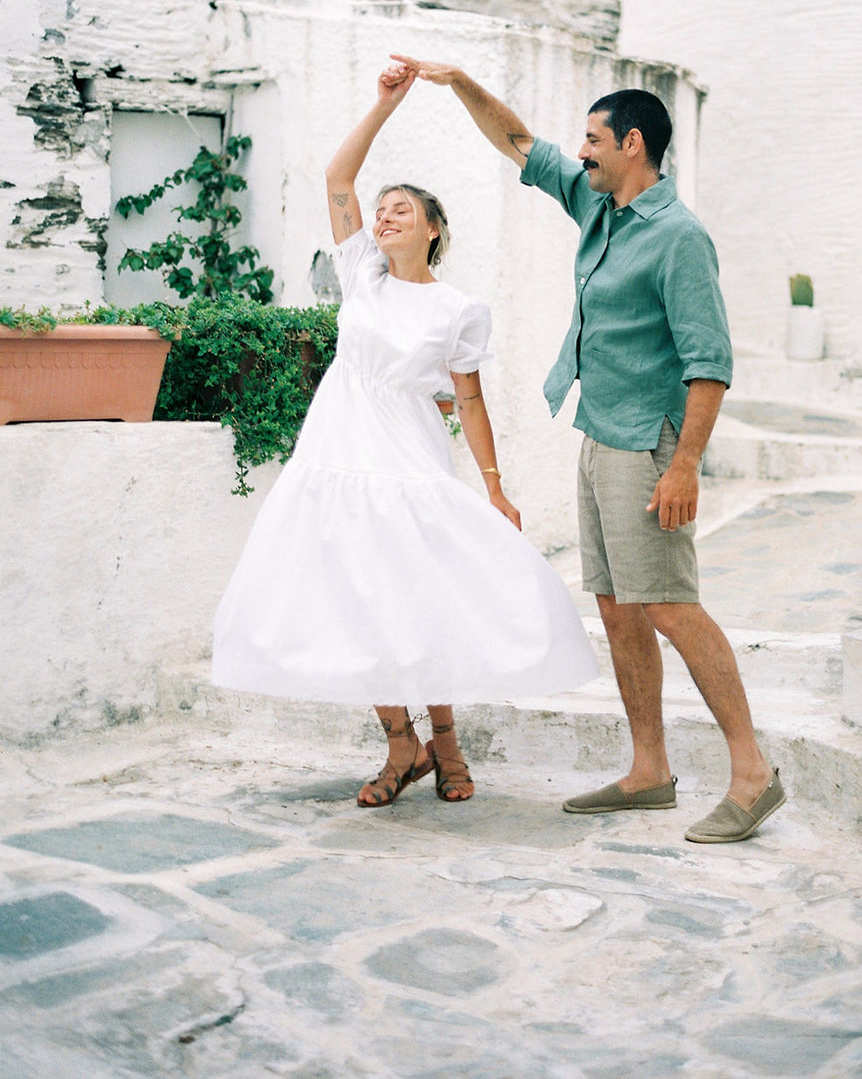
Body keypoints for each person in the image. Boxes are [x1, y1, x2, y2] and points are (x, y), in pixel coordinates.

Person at [390, 54, 785, 843]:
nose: (580, 152)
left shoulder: (679, 238)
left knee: (670, 605)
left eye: (593, 139)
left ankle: (753, 773)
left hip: (650, 443)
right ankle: (649, 771)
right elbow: (517, 142)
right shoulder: (598, 206)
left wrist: (684, 467)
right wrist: (456, 80)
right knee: (616, 607)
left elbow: (710, 364)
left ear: (632, 144)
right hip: (600, 431)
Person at [211, 64, 599, 807]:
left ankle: (445, 742)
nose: (382, 216)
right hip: (336, 451)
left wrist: (493, 488)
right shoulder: (362, 275)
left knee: (421, 593)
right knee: (355, 597)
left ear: (433, 229)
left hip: (410, 454)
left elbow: (472, 403)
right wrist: (385, 104)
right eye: (379, 209)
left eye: (400, 209)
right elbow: (335, 176)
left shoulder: (458, 309)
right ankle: (400, 744)